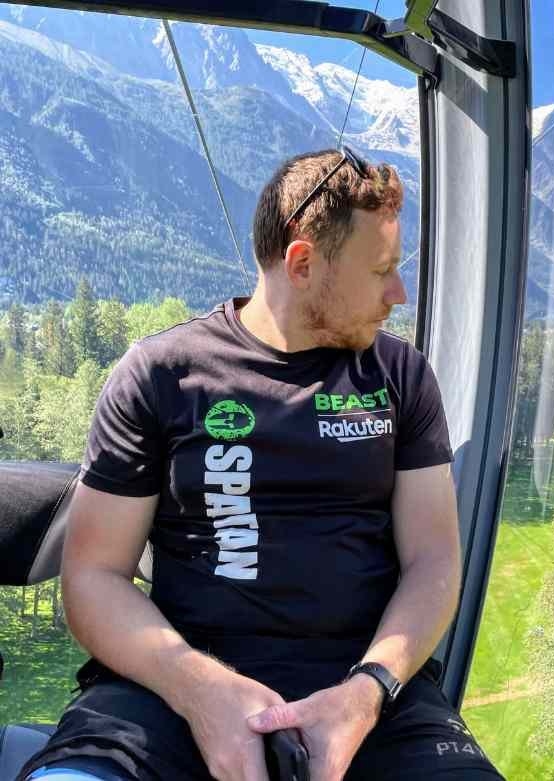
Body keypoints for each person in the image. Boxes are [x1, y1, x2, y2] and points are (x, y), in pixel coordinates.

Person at [19, 148, 504, 781]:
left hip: (368, 691)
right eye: (382, 269)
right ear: (303, 263)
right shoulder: (161, 375)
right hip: (169, 687)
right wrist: (200, 692)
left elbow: (434, 560)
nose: (399, 293)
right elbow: (94, 577)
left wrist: (368, 690)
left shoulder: (399, 378)